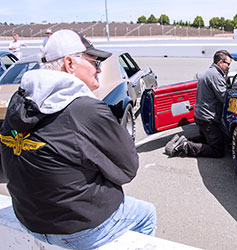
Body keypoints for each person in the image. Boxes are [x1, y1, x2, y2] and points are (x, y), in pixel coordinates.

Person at [0, 29, 156, 250]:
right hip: (76, 229)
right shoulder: (85, 109)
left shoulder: (19, 101)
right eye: (94, 61)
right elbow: (128, 169)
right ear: (70, 64)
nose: (99, 69)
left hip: (28, 219)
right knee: (147, 214)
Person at [165, 50, 232, 158]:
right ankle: (184, 146)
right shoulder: (216, 76)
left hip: (201, 116)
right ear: (220, 62)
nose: (229, 67)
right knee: (218, 150)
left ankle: (184, 139)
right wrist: (233, 92)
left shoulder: (209, 72)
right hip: (208, 119)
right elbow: (224, 97)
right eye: (228, 64)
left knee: (206, 139)